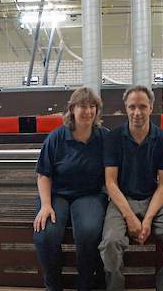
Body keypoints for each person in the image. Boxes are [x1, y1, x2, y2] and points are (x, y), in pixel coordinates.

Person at [99, 85, 163, 291]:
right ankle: (115, 287)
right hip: (122, 200)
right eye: (132, 106)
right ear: (125, 108)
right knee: (110, 244)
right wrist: (130, 217)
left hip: (154, 200)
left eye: (142, 106)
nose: (137, 112)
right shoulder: (113, 138)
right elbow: (110, 183)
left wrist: (148, 219)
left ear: (151, 107)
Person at [33, 87, 108, 291]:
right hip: (56, 195)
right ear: (72, 109)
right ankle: (53, 283)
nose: (88, 111)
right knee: (45, 234)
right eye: (82, 106)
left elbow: (114, 171)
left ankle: (85, 281)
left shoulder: (103, 137)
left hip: (90, 194)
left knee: (89, 231)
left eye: (92, 106)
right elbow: (43, 174)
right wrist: (46, 205)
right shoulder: (56, 137)